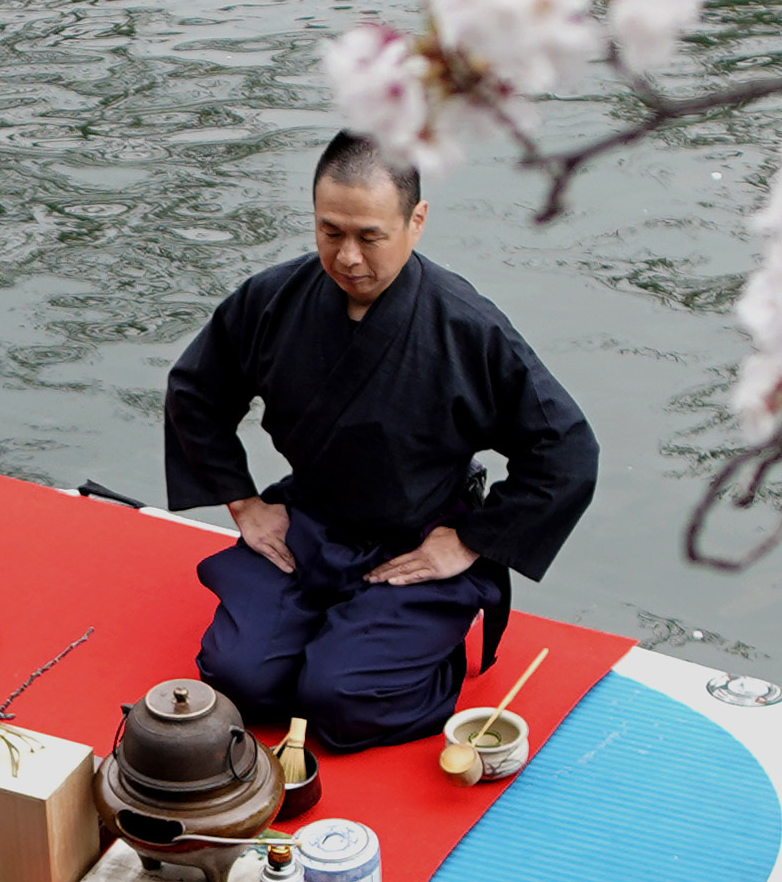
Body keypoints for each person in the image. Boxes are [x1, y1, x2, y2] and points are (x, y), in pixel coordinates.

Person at [160, 132, 598, 749]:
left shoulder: (464, 326)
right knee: (237, 682)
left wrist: (472, 539)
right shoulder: (273, 300)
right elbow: (196, 393)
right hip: (310, 524)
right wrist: (243, 501)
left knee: (339, 701)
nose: (348, 257)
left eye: (370, 236)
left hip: (417, 541)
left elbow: (567, 447)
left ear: (415, 221)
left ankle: (427, 658)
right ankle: (329, 638)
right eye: (330, 231)